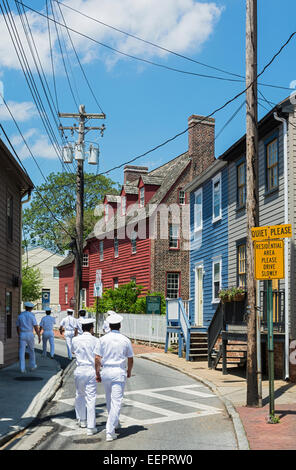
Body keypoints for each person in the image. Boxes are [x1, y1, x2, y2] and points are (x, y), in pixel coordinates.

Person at [96, 311, 134, 442]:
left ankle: (114, 422)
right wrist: (129, 371)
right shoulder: (125, 340)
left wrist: (97, 372)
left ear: (109, 326)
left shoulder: (102, 339)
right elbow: (130, 358)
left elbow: (97, 357)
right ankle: (110, 430)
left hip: (106, 371)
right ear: (120, 325)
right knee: (117, 401)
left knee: (109, 400)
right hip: (118, 371)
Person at [71, 318, 101, 436]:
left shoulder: (75, 339)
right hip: (90, 369)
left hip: (79, 369)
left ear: (82, 328)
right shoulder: (96, 340)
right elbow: (97, 358)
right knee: (91, 398)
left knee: (79, 395)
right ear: (91, 328)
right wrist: (98, 372)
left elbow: (73, 352)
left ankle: (82, 420)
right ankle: (91, 426)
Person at [16, 301, 41, 373]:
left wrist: (19, 335)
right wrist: (39, 335)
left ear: (25, 307)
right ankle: (32, 365)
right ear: (31, 308)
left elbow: (17, 327)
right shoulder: (32, 316)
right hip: (30, 334)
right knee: (31, 350)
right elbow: (35, 327)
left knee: (21, 351)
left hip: (22, 334)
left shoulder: (20, 315)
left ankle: (22, 368)